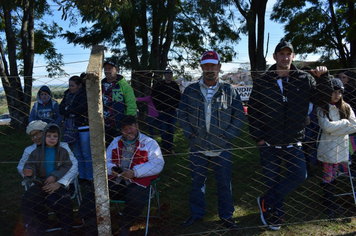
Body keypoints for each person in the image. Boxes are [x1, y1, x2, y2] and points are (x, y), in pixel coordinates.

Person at [248, 41, 332, 230]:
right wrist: (259, 138)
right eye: (281, 54)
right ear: (275, 57)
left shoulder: (304, 79)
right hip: (269, 142)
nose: (285, 57)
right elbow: (253, 112)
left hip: (294, 141)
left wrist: (324, 78)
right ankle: (276, 214)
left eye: (289, 54)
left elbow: (322, 100)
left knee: (299, 175)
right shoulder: (262, 81)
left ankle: (265, 200)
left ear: (293, 56)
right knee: (272, 180)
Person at [178, 51, 245, 229]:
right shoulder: (190, 90)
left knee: (224, 183)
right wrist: (190, 134)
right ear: (201, 67)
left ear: (219, 67)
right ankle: (196, 213)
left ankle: (226, 215)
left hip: (222, 146)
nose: (209, 69)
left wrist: (228, 135)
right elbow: (181, 115)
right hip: (198, 145)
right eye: (206, 66)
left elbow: (239, 116)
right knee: (197, 182)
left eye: (213, 65)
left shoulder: (229, 90)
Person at [78, 115, 164, 236]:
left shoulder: (150, 143)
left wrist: (134, 172)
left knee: (135, 198)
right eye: (124, 129)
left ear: (137, 126)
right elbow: (106, 161)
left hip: (137, 181)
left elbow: (158, 163)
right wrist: (111, 169)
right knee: (93, 193)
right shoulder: (115, 141)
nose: (128, 131)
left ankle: (125, 226)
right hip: (117, 180)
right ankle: (91, 227)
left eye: (131, 127)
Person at [21, 123, 75, 236]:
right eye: (49, 136)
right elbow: (30, 164)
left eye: (55, 136)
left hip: (58, 182)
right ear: (44, 136)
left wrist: (56, 176)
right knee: (27, 197)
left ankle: (67, 229)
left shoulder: (63, 151)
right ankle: (30, 226)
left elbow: (68, 165)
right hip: (41, 182)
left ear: (58, 138)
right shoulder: (35, 152)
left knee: (65, 199)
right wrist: (29, 171)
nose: (52, 139)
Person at [316, 78, 356, 218]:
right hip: (329, 147)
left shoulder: (346, 107)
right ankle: (328, 202)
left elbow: (354, 126)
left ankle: (330, 200)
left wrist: (336, 128)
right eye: (334, 92)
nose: (337, 95)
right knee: (328, 175)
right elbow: (326, 127)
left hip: (342, 146)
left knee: (335, 174)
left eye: (339, 92)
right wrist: (344, 123)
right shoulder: (322, 108)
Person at [59, 75, 93, 185]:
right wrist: (70, 111)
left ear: (79, 86)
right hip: (71, 129)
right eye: (69, 85)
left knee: (86, 153)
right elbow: (60, 109)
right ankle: (81, 175)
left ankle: (90, 177)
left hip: (84, 127)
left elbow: (81, 108)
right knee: (77, 154)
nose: (70, 88)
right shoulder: (67, 94)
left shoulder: (84, 94)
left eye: (72, 86)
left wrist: (68, 110)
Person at [102, 61, 137, 147]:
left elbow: (131, 104)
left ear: (116, 69)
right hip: (103, 125)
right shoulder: (100, 85)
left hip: (119, 124)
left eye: (110, 68)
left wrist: (128, 122)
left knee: (121, 148)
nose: (107, 71)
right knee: (106, 149)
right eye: (105, 68)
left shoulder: (124, 85)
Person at [151, 69, 181, 154]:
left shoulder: (175, 85)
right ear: (164, 75)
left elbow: (178, 96)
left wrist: (176, 107)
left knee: (171, 130)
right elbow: (154, 96)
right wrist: (158, 108)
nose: (169, 76)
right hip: (162, 112)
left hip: (172, 111)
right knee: (163, 130)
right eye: (167, 74)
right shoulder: (159, 84)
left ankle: (170, 148)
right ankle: (164, 149)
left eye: (170, 74)